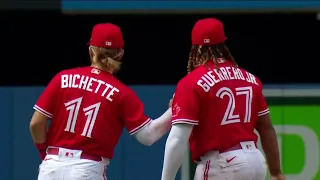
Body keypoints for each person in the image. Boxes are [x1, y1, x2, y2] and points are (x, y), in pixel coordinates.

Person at [29, 23, 172, 180]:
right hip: (87, 169)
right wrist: (175, 109)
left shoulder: (62, 78)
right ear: (120, 55)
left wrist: (45, 153)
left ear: (91, 51)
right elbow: (148, 136)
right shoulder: (121, 93)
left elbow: (36, 123)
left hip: (51, 167)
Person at [161, 18, 285, 180]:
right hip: (255, 162)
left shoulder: (191, 82)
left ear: (196, 48)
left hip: (221, 164)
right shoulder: (250, 78)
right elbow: (266, 127)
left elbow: (177, 139)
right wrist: (276, 172)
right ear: (223, 44)